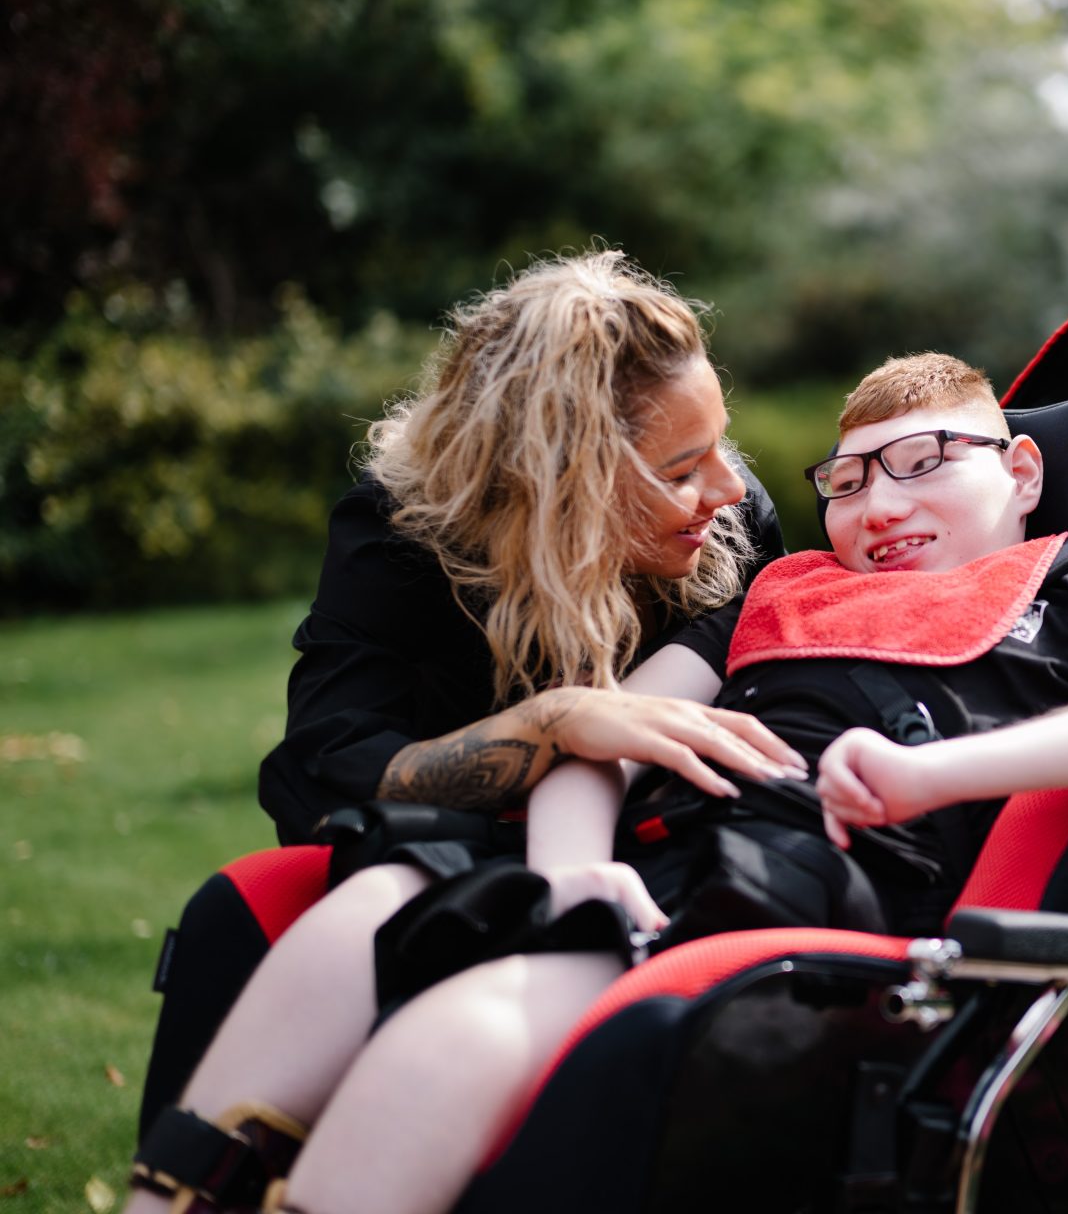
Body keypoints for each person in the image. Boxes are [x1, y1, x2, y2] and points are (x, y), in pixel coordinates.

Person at [132, 352, 1068, 1214]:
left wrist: (925, 773)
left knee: (467, 1020)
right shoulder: (781, 588)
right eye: (847, 480)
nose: (878, 503)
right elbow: (607, 734)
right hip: (639, 842)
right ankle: (178, 1185)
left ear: (1022, 470)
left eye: (924, 460)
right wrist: (574, 875)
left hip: (812, 860)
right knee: (368, 905)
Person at [128, 250, 805, 1214]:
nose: (732, 492)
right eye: (681, 468)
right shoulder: (401, 538)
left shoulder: (730, 540)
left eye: (722, 447)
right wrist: (549, 724)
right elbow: (323, 773)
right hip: (448, 856)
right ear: (555, 473)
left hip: (657, 855)